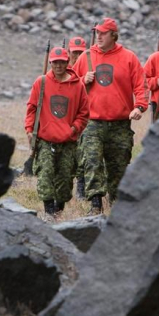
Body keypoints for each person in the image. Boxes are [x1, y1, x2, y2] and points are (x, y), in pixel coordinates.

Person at [71, 17, 148, 214]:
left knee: (119, 167)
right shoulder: (85, 57)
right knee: (92, 161)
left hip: (120, 123)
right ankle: (95, 204)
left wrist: (139, 107)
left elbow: (141, 86)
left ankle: (116, 204)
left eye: (103, 33)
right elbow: (68, 86)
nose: (99, 36)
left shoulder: (129, 57)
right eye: (97, 32)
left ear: (113, 35)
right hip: (92, 122)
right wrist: (82, 80)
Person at [24, 47, 90, 219]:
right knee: (45, 174)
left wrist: (74, 129)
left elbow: (84, 113)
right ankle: (48, 212)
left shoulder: (78, 85)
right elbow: (31, 108)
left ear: (67, 63)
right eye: (55, 62)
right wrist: (29, 130)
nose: (58, 65)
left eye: (61, 62)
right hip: (46, 140)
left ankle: (58, 211)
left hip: (68, 142)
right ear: (51, 63)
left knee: (65, 179)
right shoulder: (41, 82)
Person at [68, 35, 89, 200]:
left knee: (83, 152)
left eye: (81, 52)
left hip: (83, 118)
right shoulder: (61, 67)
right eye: (74, 52)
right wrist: (84, 79)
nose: (77, 56)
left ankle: (81, 187)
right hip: (65, 118)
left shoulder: (90, 65)